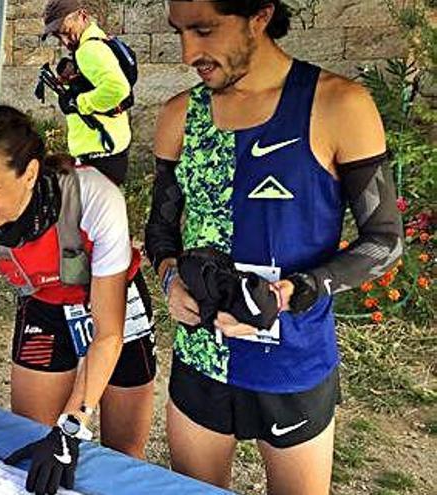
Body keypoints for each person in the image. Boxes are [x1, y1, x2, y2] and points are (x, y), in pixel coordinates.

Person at [144, 2, 404, 493]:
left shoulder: (337, 104)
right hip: (202, 357)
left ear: (259, 16)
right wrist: (171, 277)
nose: (187, 52)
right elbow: (160, 230)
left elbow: (385, 241)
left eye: (204, 30)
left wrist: (295, 291)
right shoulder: (179, 114)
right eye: (179, 32)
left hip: (293, 361)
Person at [0, 106, 157, 495]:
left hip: (111, 304)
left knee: (122, 452)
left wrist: (74, 423)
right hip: (45, 304)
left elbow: (107, 334)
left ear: (31, 173)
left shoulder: (94, 198)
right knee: (33, 437)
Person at [41, 0, 133, 186]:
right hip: (110, 146)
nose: (65, 41)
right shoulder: (99, 40)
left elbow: (118, 88)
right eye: (58, 36)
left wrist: (79, 102)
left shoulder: (88, 50)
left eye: (66, 32)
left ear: (82, 16)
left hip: (99, 150)